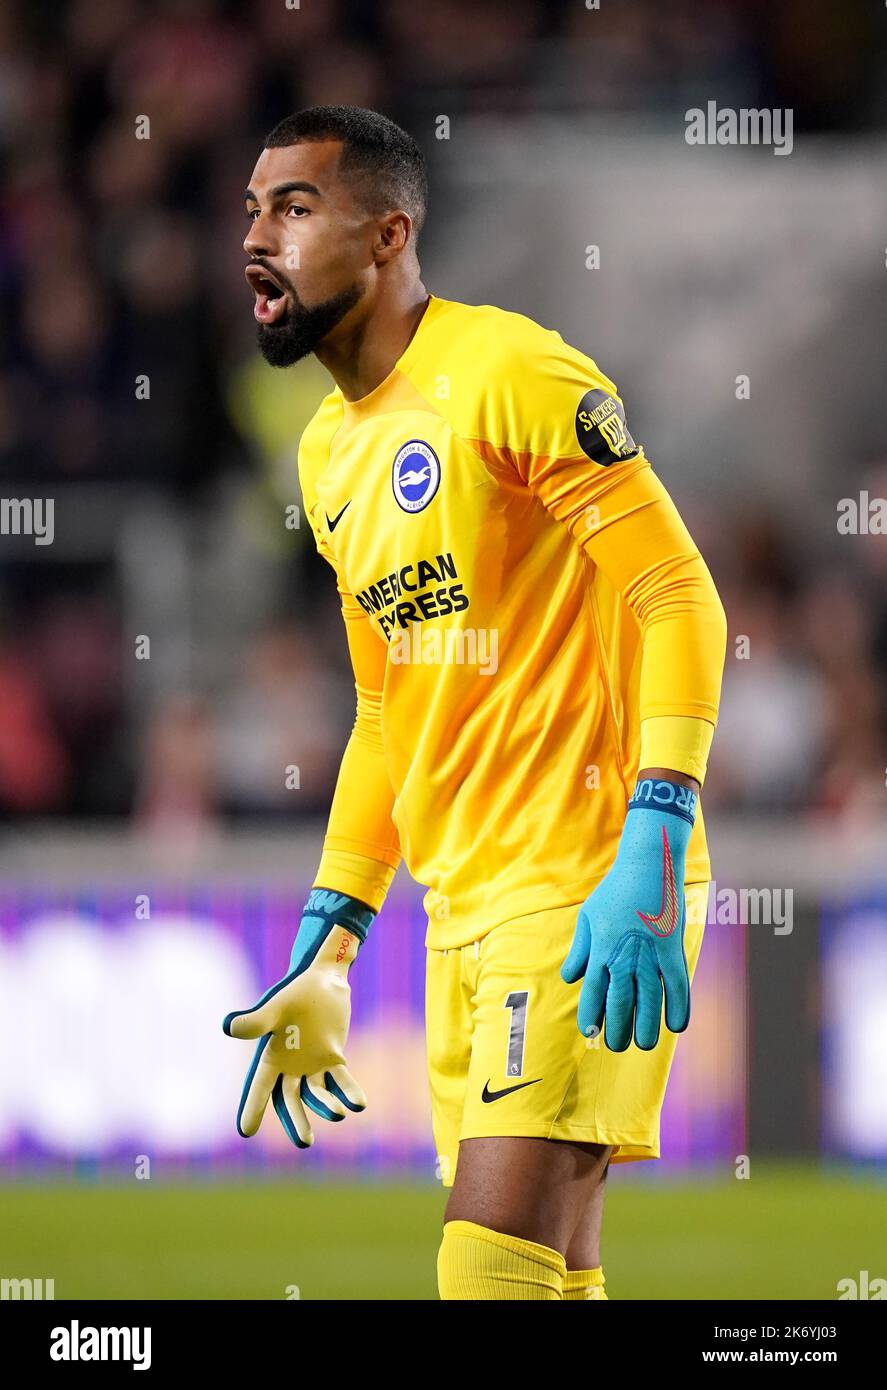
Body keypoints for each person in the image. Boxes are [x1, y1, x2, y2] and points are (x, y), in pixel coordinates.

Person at [223, 105, 727, 1302]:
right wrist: (329, 935)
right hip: (459, 906)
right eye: (251, 208)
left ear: (388, 233)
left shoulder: (508, 368)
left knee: (481, 1270)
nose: (257, 235)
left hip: (582, 881)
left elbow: (677, 594)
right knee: (546, 1277)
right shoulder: (328, 454)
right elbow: (385, 711)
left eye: (294, 209)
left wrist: (656, 829)